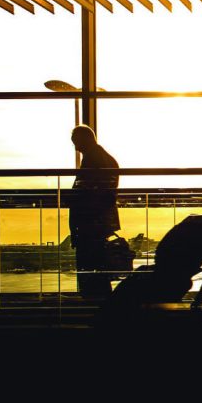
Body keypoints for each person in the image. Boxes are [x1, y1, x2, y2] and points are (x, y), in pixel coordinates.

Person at [69, 124, 120, 299]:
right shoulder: (107, 159)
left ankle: (94, 306)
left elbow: (86, 194)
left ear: (86, 139)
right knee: (98, 270)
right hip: (99, 223)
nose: (75, 147)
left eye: (76, 142)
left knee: (90, 269)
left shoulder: (93, 160)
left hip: (90, 224)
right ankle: (101, 307)